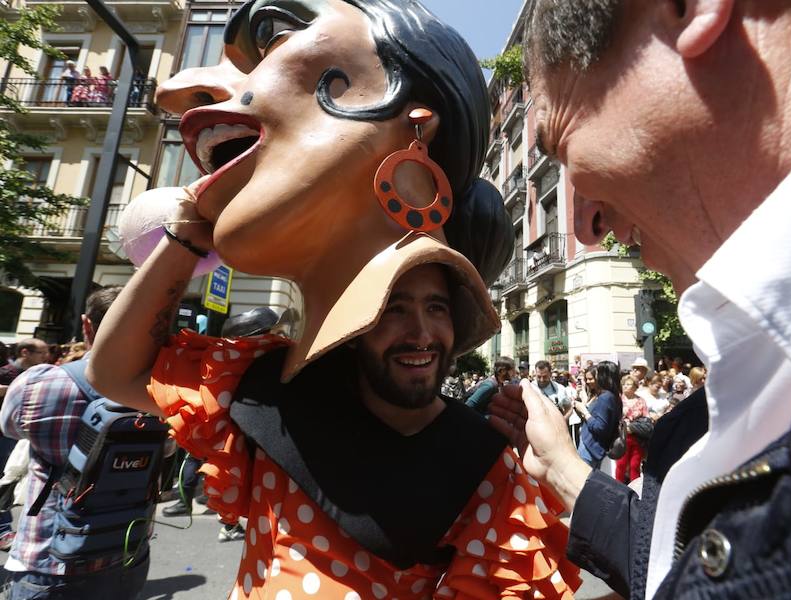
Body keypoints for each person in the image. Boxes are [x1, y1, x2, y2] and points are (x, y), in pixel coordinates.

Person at [88, 1, 579, 597]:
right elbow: (117, 372)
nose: (421, 331)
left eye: (437, 307)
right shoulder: (264, 397)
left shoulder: (486, 467)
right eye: (394, 308)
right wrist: (185, 237)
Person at [490, 0, 791, 598]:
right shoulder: (744, 380)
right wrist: (562, 469)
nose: (586, 222)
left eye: (562, 145)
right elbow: (678, 557)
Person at [0, 286, 154, 599]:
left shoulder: (42, 382)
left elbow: (9, 427)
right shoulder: (164, 391)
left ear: (87, 325)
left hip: (51, 560)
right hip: (127, 551)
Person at [573, 362, 622, 470]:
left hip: (590, 448)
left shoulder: (605, 397)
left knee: (584, 483)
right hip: (593, 447)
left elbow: (599, 427)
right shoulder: (612, 396)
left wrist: (584, 412)